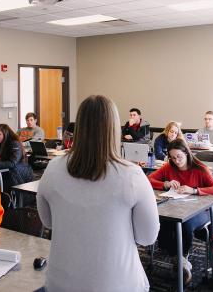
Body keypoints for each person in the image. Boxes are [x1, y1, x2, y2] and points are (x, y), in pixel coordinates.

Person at [36, 95, 159, 292]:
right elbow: (147, 237)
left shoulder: (53, 169)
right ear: (114, 128)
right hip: (118, 283)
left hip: (62, 282)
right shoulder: (131, 175)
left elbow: (47, 222)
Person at [148, 139, 213, 283]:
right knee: (165, 220)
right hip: (176, 207)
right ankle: (181, 261)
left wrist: (195, 190)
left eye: (179, 156)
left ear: (187, 153)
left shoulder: (200, 169)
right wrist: (165, 184)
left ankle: (181, 258)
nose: (176, 161)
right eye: (173, 157)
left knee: (184, 223)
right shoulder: (168, 167)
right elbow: (148, 179)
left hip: (201, 212)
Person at [0, 124, 33, 192]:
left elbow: (12, 163)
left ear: (5, 134)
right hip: (7, 171)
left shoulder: (14, 143)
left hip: (18, 173)